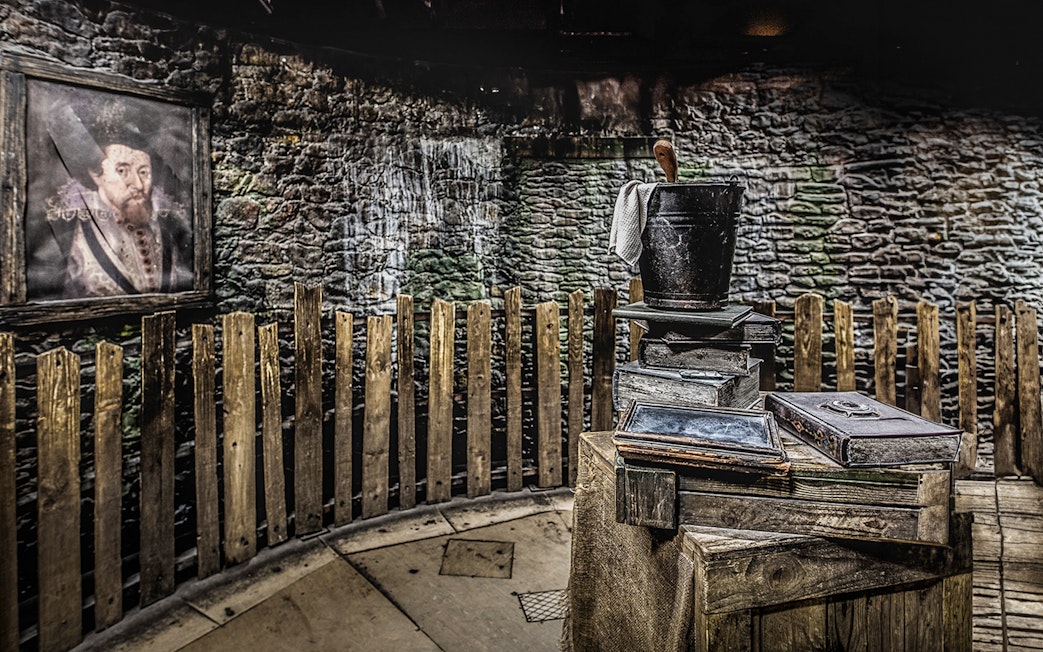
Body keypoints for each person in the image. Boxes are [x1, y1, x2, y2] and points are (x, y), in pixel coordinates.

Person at [44, 133, 193, 298]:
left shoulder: (166, 222)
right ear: (96, 175)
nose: (137, 184)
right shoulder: (68, 225)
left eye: (143, 172)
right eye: (122, 171)